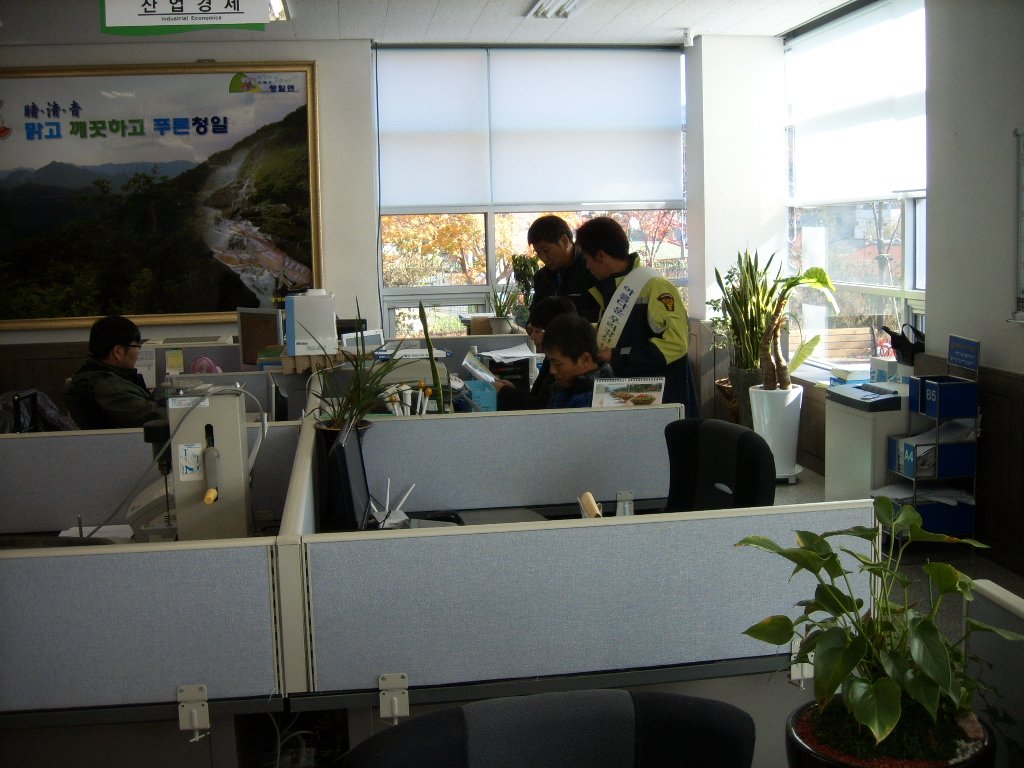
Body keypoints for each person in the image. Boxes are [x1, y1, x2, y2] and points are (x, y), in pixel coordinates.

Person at [575, 216, 702, 418]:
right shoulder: (610, 287)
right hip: (631, 396)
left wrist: (616, 356)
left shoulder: (655, 286)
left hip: (664, 400)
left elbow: (676, 343)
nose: (587, 266)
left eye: (586, 258)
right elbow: (618, 331)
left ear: (600, 255)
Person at [68, 316, 166, 428]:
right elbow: (152, 415)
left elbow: (145, 404)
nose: (138, 351)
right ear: (118, 351)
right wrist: (180, 410)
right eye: (136, 346)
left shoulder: (104, 377)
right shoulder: (110, 387)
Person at [493, 296, 578, 411]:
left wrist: (503, 391)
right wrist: (513, 390)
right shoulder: (551, 359)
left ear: (555, 330)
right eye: (531, 331)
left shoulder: (565, 364)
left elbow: (540, 407)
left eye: (537, 331)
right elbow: (538, 398)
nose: (532, 337)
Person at [527, 215, 601, 323]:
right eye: (538, 253)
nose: (543, 258)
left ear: (565, 241)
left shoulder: (592, 269)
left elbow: (600, 313)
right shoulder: (542, 277)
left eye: (546, 250)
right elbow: (534, 315)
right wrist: (531, 325)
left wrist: (560, 322)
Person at [541, 314, 615, 409]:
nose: (552, 371)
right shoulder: (564, 389)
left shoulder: (605, 402)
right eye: (550, 362)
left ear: (585, 359)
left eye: (557, 363)